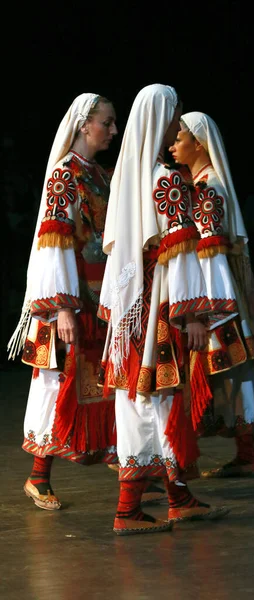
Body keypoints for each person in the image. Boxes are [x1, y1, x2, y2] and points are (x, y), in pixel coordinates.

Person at [98, 84, 230, 535]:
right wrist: (193, 313)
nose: (177, 126)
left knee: (136, 400)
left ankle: (155, 501)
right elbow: (180, 248)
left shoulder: (124, 179)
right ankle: (148, 503)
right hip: (156, 305)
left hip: (127, 311)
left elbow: (114, 248)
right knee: (162, 398)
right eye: (174, 114)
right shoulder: (165, 178)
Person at [7, 93, 119, 510]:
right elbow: (54, 243)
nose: (112, 131)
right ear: (83, 124)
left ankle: (122, 460)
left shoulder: (100, 176)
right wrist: (63, 307)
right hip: (69, 296)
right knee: (57, 381)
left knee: (102, 380)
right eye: (106, 123)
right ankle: (39, 476)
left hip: (98, 295)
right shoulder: (64, 176)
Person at [168, 112, 254, 478]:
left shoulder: (208, 187)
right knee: (229, 371)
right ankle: (244, 454)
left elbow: (210, 253)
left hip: (214, 294)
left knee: (223, 369)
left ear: (198, 143)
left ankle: (192, 460)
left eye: (179, 138)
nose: (172, 145)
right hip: (214, 293)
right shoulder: (199, 181)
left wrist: (206, 310)